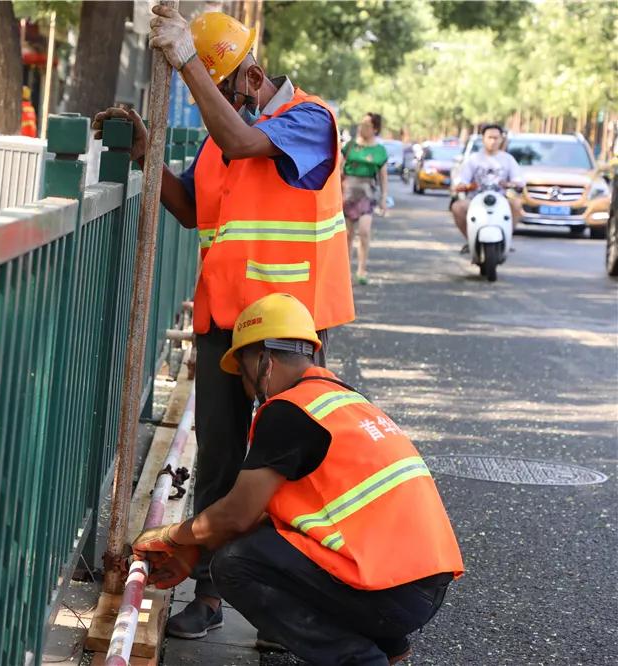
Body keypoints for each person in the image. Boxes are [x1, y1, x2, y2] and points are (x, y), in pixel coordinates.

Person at [91, 7, 354, 640]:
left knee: (290, 461)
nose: (218, 103)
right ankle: (211, 594)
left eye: (223, 87)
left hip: (289, 331)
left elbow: (241, 142)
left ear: (254, 77)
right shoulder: (219, 135)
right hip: (224, 321)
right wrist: (149, 157)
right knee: (219, 456)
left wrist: (185, 59)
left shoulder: (310, 120)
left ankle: (290, 596)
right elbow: (190, 209)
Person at [132, 293, 464, 665]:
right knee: (271, 545)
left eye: (242, 371)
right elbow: (263, 514)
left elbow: (235, 516)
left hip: (391, 594)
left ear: (264, 362)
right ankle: (389, 646)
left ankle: (360, 660)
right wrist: (194, 545)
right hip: (419, 587)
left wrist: (170, 536)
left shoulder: (289, 411)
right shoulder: (343, 401)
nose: (244, 386)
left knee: (235, 565)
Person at [451, 123, 525, 249]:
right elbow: (461, 180)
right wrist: (465, 186)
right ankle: (471, 241)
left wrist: (509, 184)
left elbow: (519, 181)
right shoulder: (473, 159)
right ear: (483, 139)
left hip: (500, 199)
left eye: (496, 138)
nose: (493, 141)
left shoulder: (508, 159)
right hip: (476, 200)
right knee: (457, 207)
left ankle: (506, 238)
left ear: (501, 139)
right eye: (489, 137)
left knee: (517, 204)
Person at [340, 113, 388, 284]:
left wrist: (383, 197)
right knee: (347, 234)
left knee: (365, 231)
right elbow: (339, 168)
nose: (363, 128)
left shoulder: (379, 151)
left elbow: (383, 176)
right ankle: (345, 270)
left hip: (367, 194)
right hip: (348, 193)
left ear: (375, 128)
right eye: (362, 124)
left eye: (367, 125)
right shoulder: (350, 146)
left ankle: (362, 269)